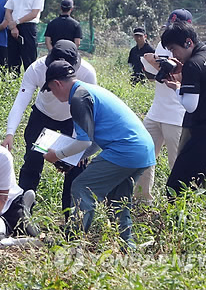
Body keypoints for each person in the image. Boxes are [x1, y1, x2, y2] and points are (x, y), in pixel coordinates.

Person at [41, 60, 155, 247]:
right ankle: (129, 246)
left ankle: (72, 241)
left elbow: (84, 141)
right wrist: (80, 156)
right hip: (142, 150)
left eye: (51, 90)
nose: (53, 94)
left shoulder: (78, 99)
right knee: (118, 200)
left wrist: (58, 155)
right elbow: (92, 140)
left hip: (124, 150)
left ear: (57, 84)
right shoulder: (87, 90)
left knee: (81, 186)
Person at [1, 40, 97, 220]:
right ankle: (21, 213)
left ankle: (71, 218)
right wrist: (10, 132)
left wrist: (77, 150)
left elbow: (88, 111)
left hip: (73, 119)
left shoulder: (87, 73)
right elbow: (21, 100)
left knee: (75, 167)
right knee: (32, 161)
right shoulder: (36, 69)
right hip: (42, 115)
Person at [160, 21, 206, 197]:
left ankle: (178, 223)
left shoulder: (193, 65)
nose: (174, 55)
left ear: (188, 43)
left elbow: (190, 106)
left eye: (173, 49)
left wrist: (177, 87)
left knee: (176, 188)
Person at [133, 10, 191, 205]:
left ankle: (178, 205)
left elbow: (180, 74)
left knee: (177, 164)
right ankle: (142, 201)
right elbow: (157, 76)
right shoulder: (162, 43)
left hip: (177, 115)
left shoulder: (191, 49)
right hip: (156, 111)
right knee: (144, 154)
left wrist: (155, 63)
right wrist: (151, 64)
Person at [5, 0, 45, 74]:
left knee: (29, 59)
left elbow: (34, 13)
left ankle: (31, 85)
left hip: (28, 26)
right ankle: (13, 83)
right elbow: (8, 10)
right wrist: (13, 26)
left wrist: (16, 22)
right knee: (12, 59)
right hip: (13, 26)